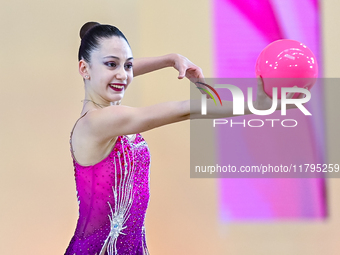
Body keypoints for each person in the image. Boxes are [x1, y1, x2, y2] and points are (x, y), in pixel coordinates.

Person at [65, 22, 300, 255]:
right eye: (111, 64)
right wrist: (258, 104)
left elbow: (121, 72)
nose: (123, 75)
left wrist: (170, 60)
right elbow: (185, 109)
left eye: (127, 65)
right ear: (84, 69)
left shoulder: (108, 112)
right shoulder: (98, 122)